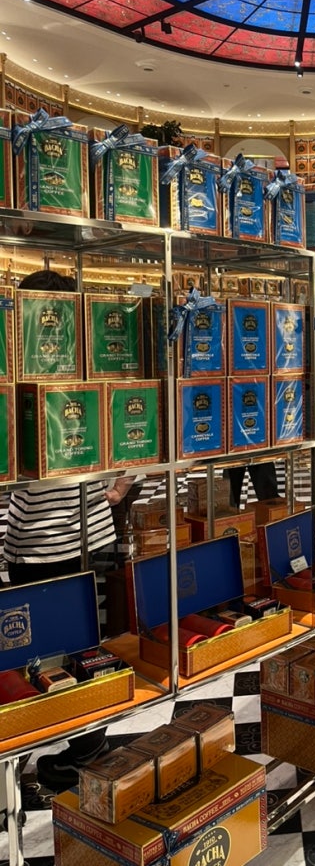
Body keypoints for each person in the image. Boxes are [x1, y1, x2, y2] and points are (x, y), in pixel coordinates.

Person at [4, 270, 135, 791]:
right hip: (82, 539)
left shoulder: (15, 385)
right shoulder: (98, 373)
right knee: (82, 647)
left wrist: (116, 491)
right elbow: (139, 444)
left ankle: (63, 750)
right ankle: (82, 747)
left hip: (43, 546)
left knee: (43, 652)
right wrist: (116, 492)